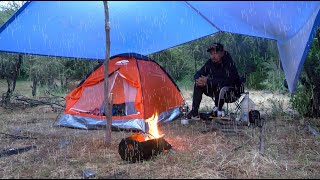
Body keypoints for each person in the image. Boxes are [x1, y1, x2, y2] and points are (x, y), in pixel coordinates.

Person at [187, 43, 243, 120]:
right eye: (211, 53)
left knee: (221, 86)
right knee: (198, 85)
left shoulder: (229, 63)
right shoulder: (210, 62)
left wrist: (208, 81)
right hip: (216, 89)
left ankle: (217, 110)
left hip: (232, 92)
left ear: (222, 53)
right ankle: (194, 112)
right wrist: (199, 79)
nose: (213, 56)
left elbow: (227, 81)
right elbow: (198, 73)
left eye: (216, 53)